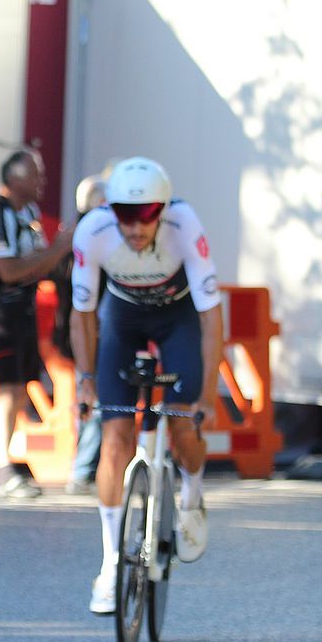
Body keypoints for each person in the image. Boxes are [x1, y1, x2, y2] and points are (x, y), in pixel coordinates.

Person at [70, 157, 224, 615]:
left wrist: (208, 396)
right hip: (123, 317)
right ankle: (111, 562)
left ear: (163, 208)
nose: (135, 228)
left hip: (178, 319)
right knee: (115, 437)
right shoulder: (93, 232)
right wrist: (85, 379)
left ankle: (192, 493)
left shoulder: (185, 224)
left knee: (183, 428)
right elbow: (83, 317)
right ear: (109, 209)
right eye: (125, 215)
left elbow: (212, 318)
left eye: (146, 216)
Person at [0, 149, 74, 498]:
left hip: (25, 311)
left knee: (18, 390)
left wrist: (50, 256)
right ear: (14, 179)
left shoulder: (28, 212)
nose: (41, 181)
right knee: (8, 389)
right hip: (0, 312)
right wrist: (59, 247)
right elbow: (10, 269)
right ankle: (1, 466)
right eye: (35, 174)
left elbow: (37, 264)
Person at [64, 169, 113, 495]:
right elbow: (82, 301)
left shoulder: (73, 234)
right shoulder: (90, 236)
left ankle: (88, 467)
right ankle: (82, 469)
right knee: (92, 394)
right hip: (88, 327)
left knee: (91, 394)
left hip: (86, 326)